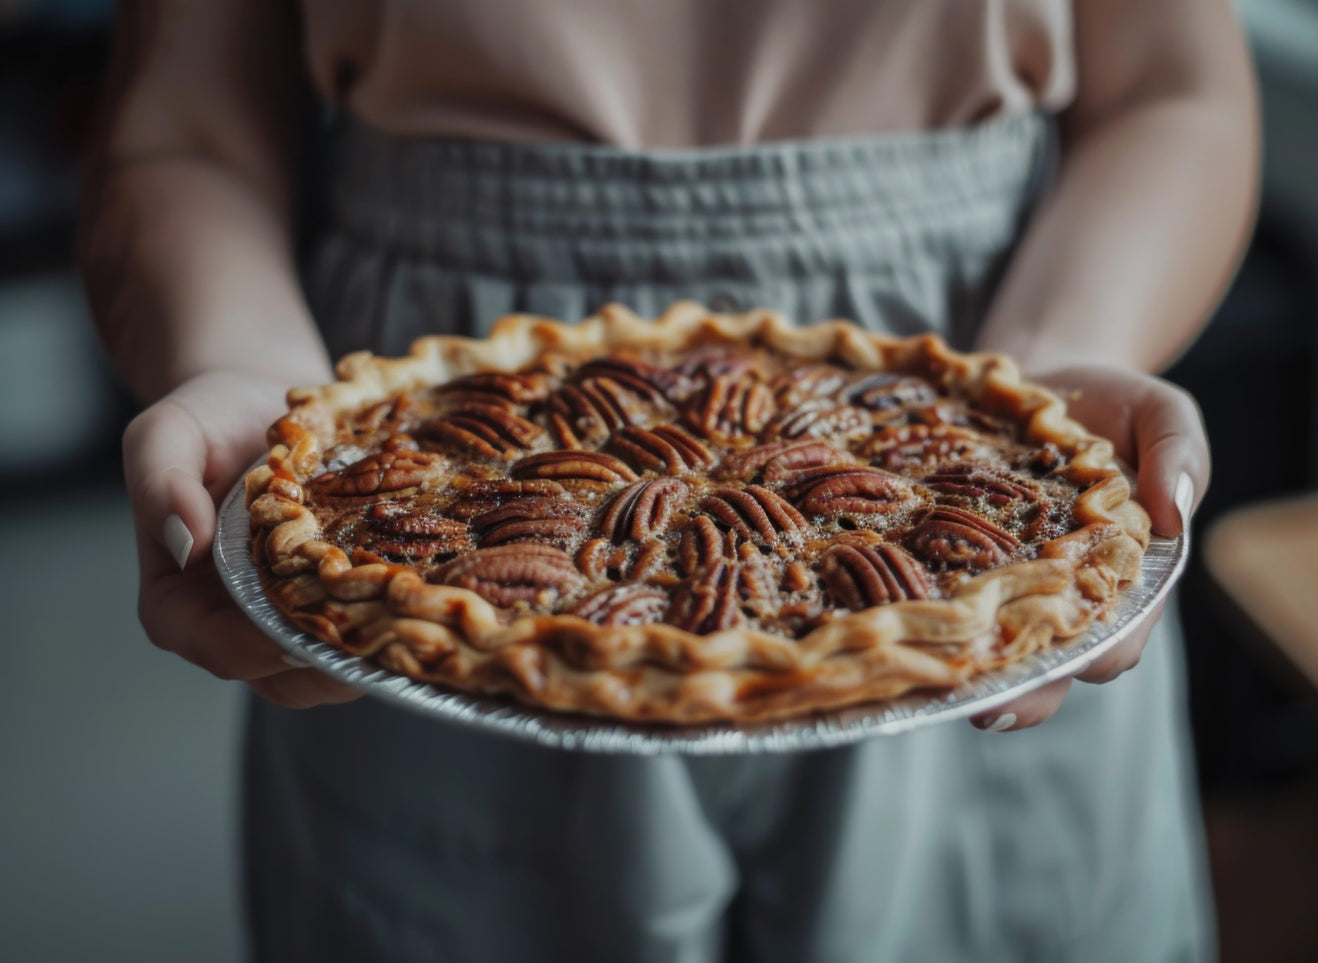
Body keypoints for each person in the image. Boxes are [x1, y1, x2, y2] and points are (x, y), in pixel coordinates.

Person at [82, 1, 1257, 960]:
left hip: (975, 404)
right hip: (434, 438)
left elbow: (1170, 83)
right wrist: (248, 371)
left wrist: (1042, 381)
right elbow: (190, 122)